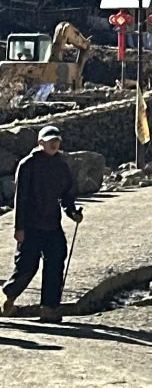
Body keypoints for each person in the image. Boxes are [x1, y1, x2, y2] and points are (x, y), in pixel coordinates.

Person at [1, 125, 83, 324]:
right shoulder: (28, 164)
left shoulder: (61, 165)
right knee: (26, 266)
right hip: (30, 226)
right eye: (50, 140)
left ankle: (49, 308)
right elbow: (20, 198)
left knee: (56, 261)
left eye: (57, 140)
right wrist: (18, 227)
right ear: (40, 143)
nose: (54, 143)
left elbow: (66, 194)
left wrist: (72, 212)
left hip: (52, 224)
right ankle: (7, 298)